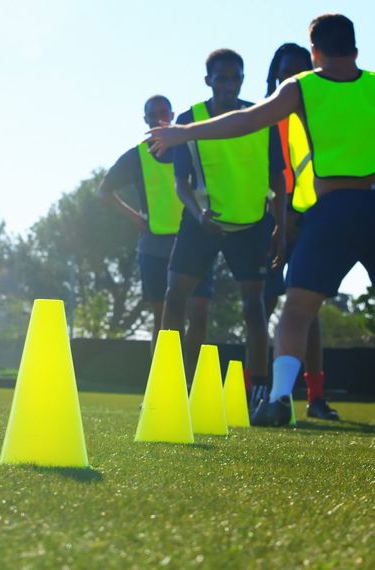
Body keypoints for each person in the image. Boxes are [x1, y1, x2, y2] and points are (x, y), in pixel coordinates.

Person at [147, 14, 375, 433]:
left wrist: (183, 133)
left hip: (335, 211)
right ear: (355, 49)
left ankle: (278, 399)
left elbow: (247, 121)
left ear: (314, 53)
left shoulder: (303, 87)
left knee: (297, 309)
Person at [161, 48, 287, 393]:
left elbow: (279, 177)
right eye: (222, 78)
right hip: (202, 223)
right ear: (208, 81)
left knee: (253, 307)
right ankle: (168, 384)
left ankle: (258, 390)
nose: (230, 85)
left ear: (242, 79)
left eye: (236, 78)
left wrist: (281, 225)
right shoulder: (190, 119)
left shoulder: (260, 117)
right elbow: (180, 182)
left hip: (250, 225)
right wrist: (198, 212)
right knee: (175, 298)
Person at [98, 95, 213, 372]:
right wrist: (135, 217)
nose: (159, 118)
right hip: (155, 246)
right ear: (145, 120)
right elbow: (104, 190)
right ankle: (162, 386)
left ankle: (190, 384)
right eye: (153, 114)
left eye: (164, 112)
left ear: (172, 115)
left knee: (199, 313)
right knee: (163, 317)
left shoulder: (190, 147)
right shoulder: (137, 156)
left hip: (195, 240)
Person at [260, 42, 338, 421]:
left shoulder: (319, 111)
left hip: (310, 216)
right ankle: (263, 391)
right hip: (267, 217)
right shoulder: (262, 116)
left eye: (298, 69)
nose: (290, 77)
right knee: (261, 305)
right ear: (274, 77)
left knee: (308, 309)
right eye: (283, 71)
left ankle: (316, 397)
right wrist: (276, 216)